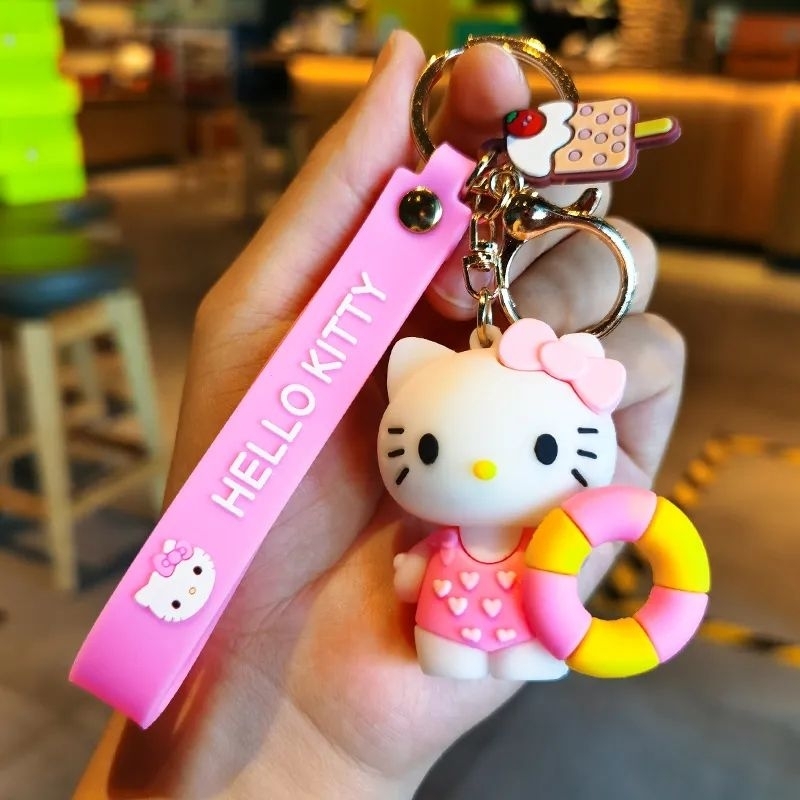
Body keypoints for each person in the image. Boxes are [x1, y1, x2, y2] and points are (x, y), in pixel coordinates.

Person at [75, 31, 683, 798]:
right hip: (421, 625)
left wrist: (314, 751)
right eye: (425, 450)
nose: (485, 468)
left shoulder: (532, 523)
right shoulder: (413, 443)